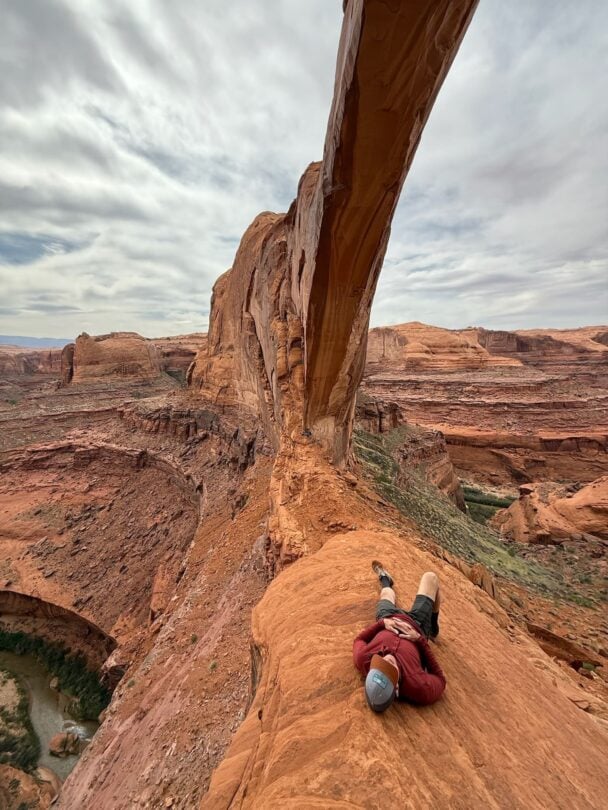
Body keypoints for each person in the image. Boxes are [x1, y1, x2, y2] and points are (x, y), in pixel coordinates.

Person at [353, 561, 446, 712]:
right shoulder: (418, 686)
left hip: (389, 617)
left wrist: (383, 623)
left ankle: (385, 580)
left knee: (386, 594)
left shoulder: (364, 659)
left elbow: (359, 640)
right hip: (418, 625)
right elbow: (440, 681)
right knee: (430, 578)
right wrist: (420, 640)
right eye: (390, 668)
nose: (387, 660)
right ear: (396, 689)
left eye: (380, 664)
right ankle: (433, 625)